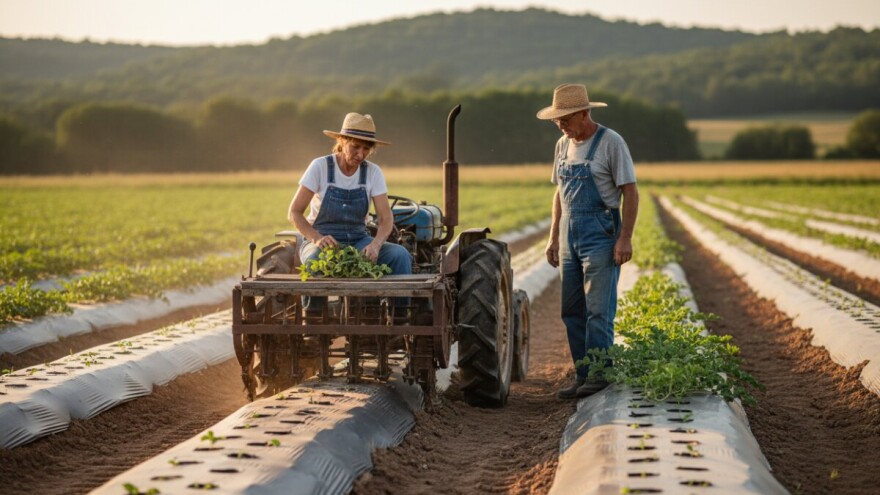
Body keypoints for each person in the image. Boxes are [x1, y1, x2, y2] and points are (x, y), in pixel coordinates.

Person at [536, 84, 639, 399]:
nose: (560, 125)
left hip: (601, 231)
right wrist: (553, 237)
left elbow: (630, 191)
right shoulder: (562, 145)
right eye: (557, 120)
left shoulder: (610, 142)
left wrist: (625, 238)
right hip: (568, 232)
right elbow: (560, 193)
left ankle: (600, 375)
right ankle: (583, 375)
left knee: (598, 309)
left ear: (584, 113)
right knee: (572, 310)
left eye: (566, 119)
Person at [287, 112, 413, 312]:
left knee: (400, 255)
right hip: (323, 241)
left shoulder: (373, 172)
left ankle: (400, 319)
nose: (361, 155)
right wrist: (316, 238)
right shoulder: (320, 167)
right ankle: (314, 320)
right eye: (355, 146)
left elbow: (385, 218)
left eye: (366, 149)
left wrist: (376, 245)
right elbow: (294, 212)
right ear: (341, 141)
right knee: (314, 261)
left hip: (358, 240)